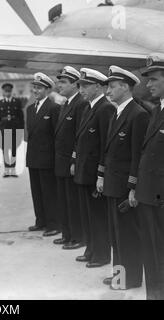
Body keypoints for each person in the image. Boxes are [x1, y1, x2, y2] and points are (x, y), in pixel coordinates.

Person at [101, 66, 148, 290]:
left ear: (125, 87)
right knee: (117, 236)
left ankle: (130, 279)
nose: (108, 91)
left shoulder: (138, 115)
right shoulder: (118, 112)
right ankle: (119, 276)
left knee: (128, 236)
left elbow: (138, 155)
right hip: (112, 184)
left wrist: (133, 188)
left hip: (124, 187)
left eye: (112, 86)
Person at [71, 68, 114, 268]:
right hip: (83, 172)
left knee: (97, 216)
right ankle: (91, 249)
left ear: (98, 86)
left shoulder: (105, 108)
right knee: (88, 215)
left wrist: (101, 174)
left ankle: (102, 254)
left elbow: (106, 144)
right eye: (80, 85)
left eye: (86, 86)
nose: (81, 90)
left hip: (93, 173)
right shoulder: (88, 107)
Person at [135, 53, 164, 299]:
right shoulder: (156, 111)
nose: (148, 85)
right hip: (149, 196)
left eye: (153, 79)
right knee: (152, 252)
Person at [54, 66, 88, 249]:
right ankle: (67, 234)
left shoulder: (80, 104)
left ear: (75, 85)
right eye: (59, 81)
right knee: (64, 201)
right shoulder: (66, 103)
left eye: (64, 82)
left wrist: (74, 160)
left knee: (73, 202)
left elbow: (79, 136)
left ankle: (77, 237)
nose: (59, 85)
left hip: (70, 162)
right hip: (61, 162)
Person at [26, 72, 60, 236]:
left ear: (47, 90)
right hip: (33, 158)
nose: (35, 90)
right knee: (37, 192)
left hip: (47, 159)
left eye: (39, 87)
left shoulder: (54, 108)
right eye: (34, 87)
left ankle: (53, 224)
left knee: (49, 193)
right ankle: (41, 221)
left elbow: (57, 136)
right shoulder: (30, 109)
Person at [0, 83, 24, 177]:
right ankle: (7, 170)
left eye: (9, 91)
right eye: (6, 91)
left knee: (14, 150)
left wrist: (21, 130)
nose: (7, 93)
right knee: (5, 150)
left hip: (15, 129)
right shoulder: (0, 103)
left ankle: (13, 169)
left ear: (11, 92)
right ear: (3, 92)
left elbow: (21, 117)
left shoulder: (17, 102)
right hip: (4, 130)